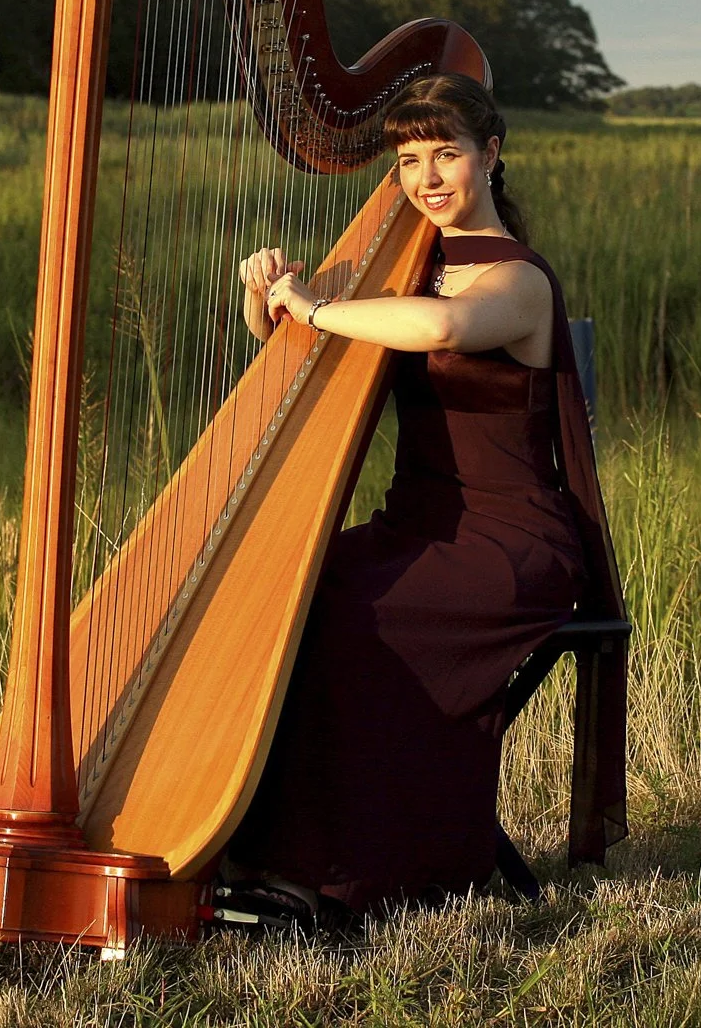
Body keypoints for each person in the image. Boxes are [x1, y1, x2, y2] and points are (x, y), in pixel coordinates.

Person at [219, 70, 608, 928]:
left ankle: (354, 874)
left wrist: (318, 307)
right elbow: (301, 341)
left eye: (447, 154)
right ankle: (260, 850)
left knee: (358, 616)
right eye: (407, 160)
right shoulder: (408, 260)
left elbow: (440, 330)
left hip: (510, 547)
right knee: (286, 591)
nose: (427, 178)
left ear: (491, 155)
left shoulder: (518, 280)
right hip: (416, 527)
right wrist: (268, 302)